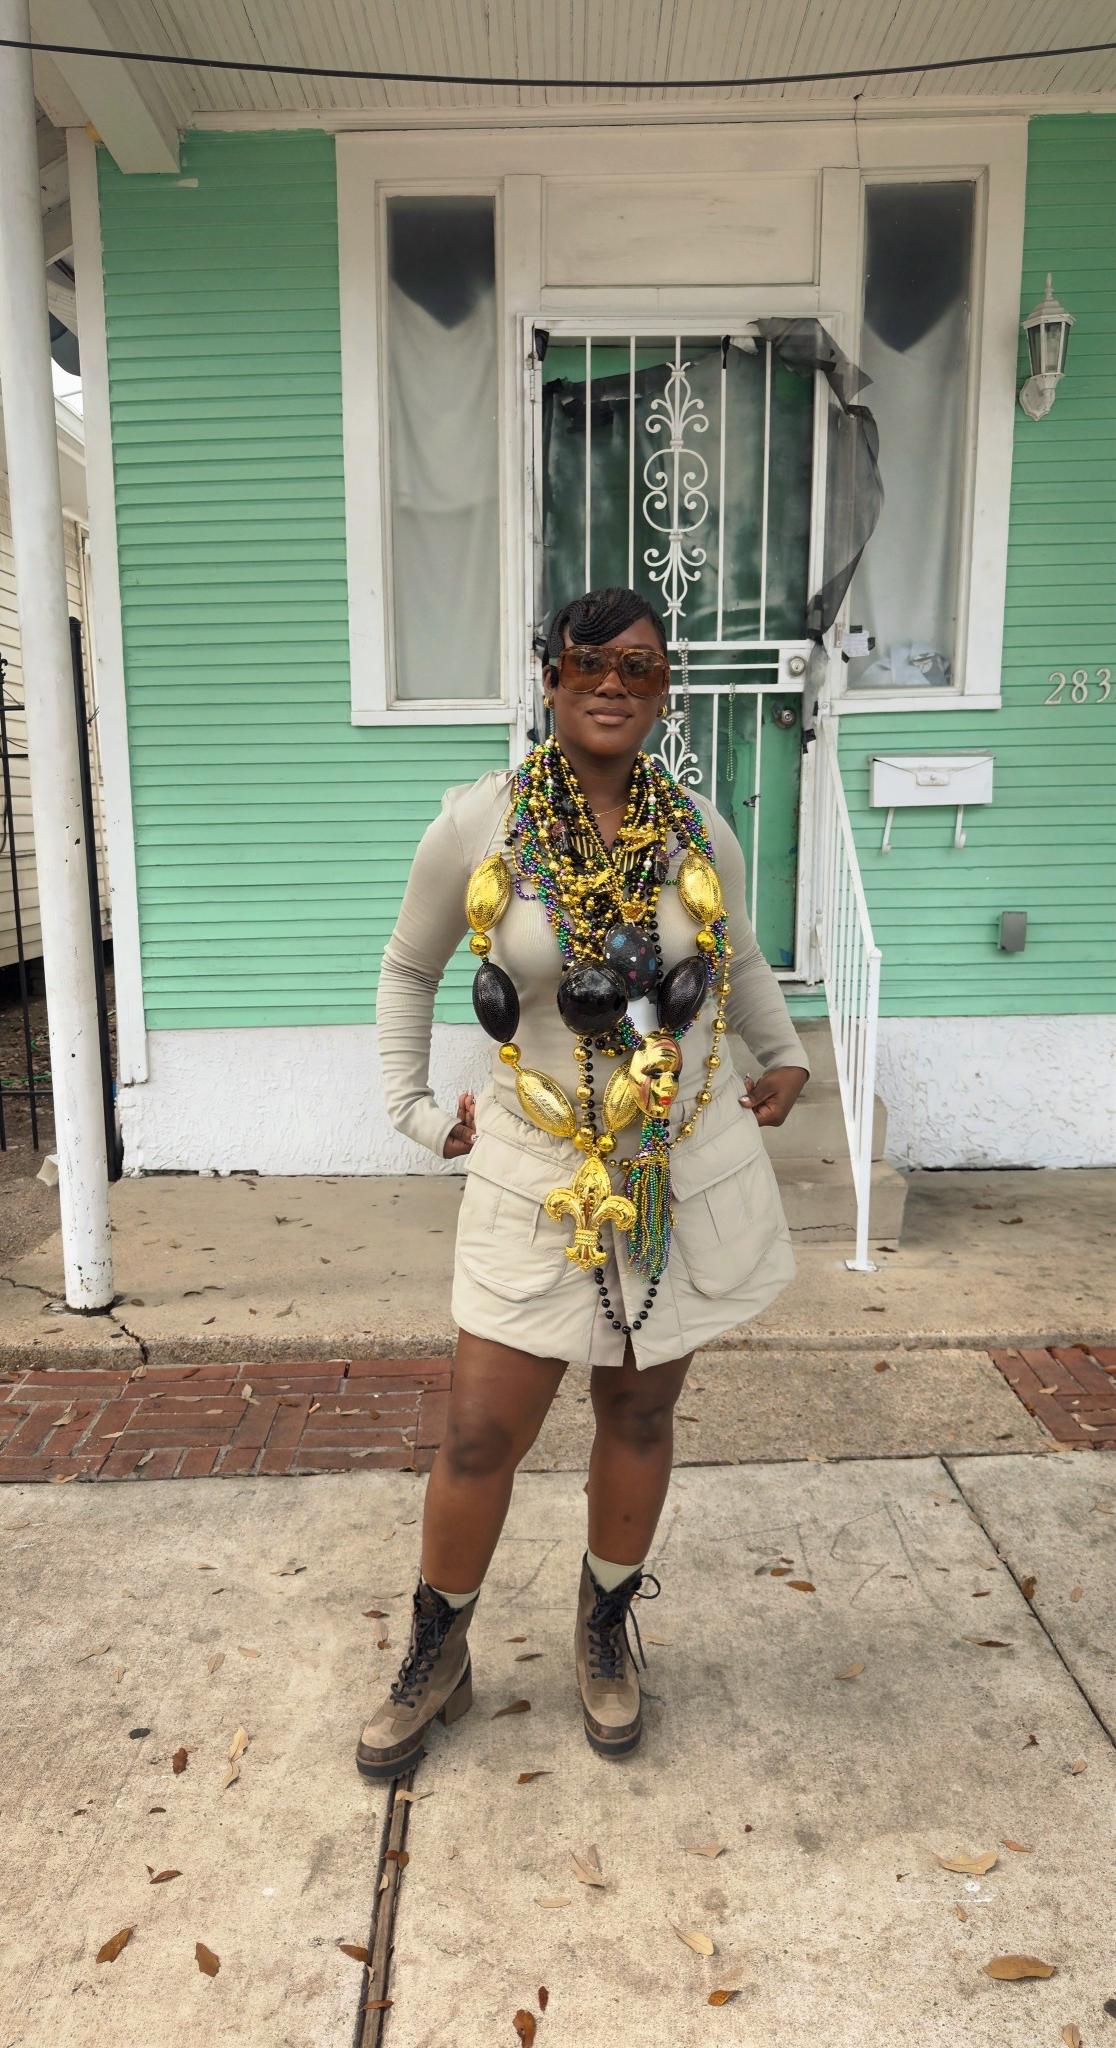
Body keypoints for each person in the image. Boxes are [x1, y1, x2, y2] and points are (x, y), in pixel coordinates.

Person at [357, 587, 809, 1780]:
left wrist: (786, 1051)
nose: (616, 683)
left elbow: (739, 955)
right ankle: (436, 1651)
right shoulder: (483, 825)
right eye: (591, 661)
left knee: (642, 1412)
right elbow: (409, 967)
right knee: (477, 1433)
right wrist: (411, 1109)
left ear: (664, 690)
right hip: (538, 1167)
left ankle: (604, 1628)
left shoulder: (693, 825)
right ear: (550, 675)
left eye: (644, 668)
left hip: (670, 1165)